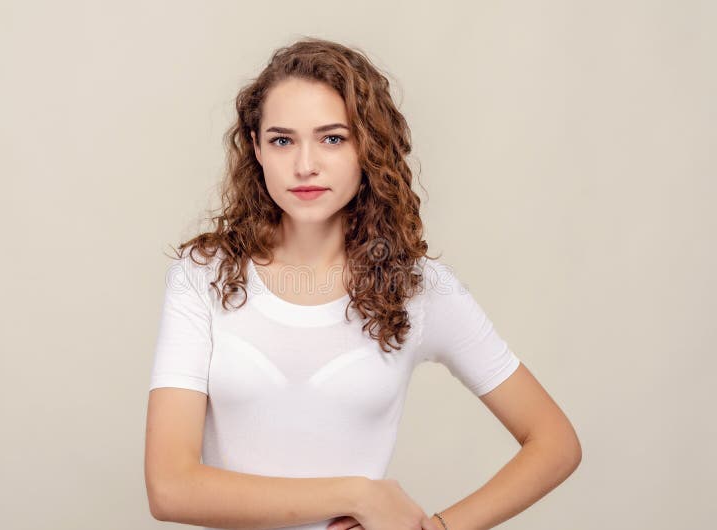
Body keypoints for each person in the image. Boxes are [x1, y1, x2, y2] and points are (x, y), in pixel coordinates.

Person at [144, 37, 581, 530]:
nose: (305, 165)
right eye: (282, 140)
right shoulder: (202, 274)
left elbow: (555, 443)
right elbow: (170, 487)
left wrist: (436, 529)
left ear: (367, 146)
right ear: (256, 148)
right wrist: (358, 495)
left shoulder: (421, 288)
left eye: (332, 138)